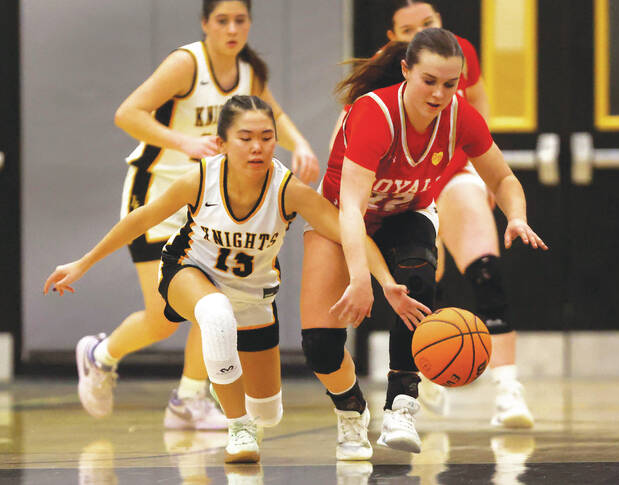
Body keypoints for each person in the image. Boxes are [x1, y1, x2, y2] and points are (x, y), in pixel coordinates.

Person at [45, 95, 428, 463]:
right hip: (187, 271)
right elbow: (141, 219)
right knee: (215, 315)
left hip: (255, 297)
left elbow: (350, 232)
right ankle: (236, 426)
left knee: (267, 411)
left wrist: (385, 282)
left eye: (266, 138)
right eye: (245, 138)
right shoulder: (200, 179)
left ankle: (254, 417)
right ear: (223, 142)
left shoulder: (288, 189)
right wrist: (83, 262)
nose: (257, 147)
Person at [300, 28, 547, 461]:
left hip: (405, 215)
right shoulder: (374, 113)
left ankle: (401, 405)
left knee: (417, 281)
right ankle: (351, 413)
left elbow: (503, 178)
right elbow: (352, 210)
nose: (439, 93)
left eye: (450, 84)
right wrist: (362, 278)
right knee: (320, 344)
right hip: (342, 217)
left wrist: (517, 216)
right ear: (405, 71)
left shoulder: (461, 117)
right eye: (429, 81)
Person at [74, 0, 320, 430]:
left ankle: (189, 397)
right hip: (159, 190)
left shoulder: (249, 71)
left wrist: (299, 143)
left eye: (240, 20)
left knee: (216, 301)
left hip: (211, 202)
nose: (231, 28)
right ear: (205, 24)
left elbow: (273, 112)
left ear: (249, 25)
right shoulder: (186, 64)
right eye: (221, 20)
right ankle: (100, 355)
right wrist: (183, 143)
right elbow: (127, 113)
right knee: (162, 318)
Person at [382, 0, 534, 428]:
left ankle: (507, 389)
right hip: (404, 190)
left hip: (452, 173)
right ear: (395, 42)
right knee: (424, 286)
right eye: (408, 29)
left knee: (486, 271)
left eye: (427, 24)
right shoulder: (379, 76)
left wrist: (483, 167)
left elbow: (479, 104)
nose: (420, 33)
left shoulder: (458, 54)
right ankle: (429, 375)